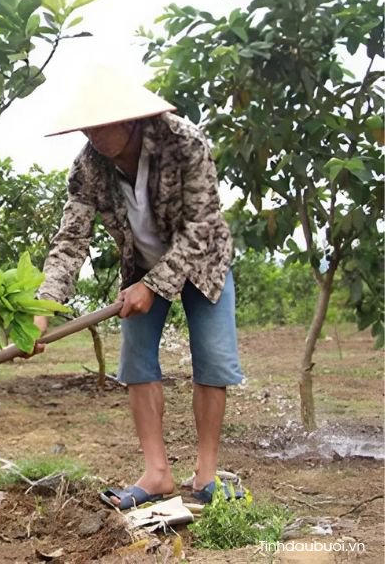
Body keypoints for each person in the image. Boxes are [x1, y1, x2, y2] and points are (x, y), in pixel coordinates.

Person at [32, 69, 244, 509]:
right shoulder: (87, 167)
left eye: (103, 124)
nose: (94, 134)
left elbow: (202, 224)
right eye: (87, 126)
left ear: (130, 119)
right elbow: (72, 240)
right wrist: (42, 307)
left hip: (202, 259)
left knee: (214, 357)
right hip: (141, 266)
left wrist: (156, 285)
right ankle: (157, 473)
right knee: (135, 360)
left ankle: (206, 472)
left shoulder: (184, 143)